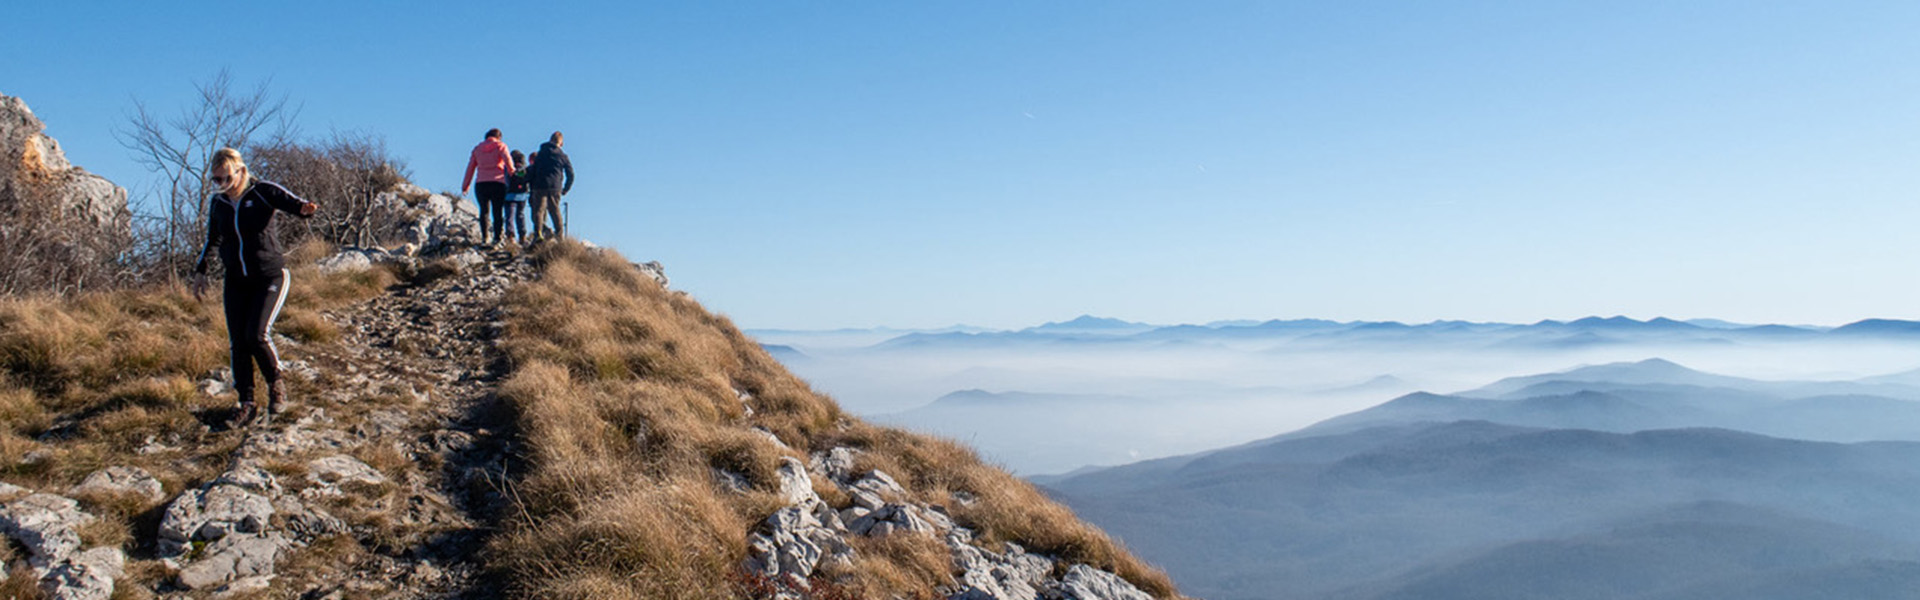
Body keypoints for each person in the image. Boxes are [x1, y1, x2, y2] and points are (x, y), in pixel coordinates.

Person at [190, 148, 318, 428]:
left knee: (256, 334)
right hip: (236, 280)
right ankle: (246, 404)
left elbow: (294, 204)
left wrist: (305, 210)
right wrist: (201, 271)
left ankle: (276, 384)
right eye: (216, 180)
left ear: (240, 172)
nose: (221, 185)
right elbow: (212, 239)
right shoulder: (218, 204)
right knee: (238, 342)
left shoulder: (262, 192)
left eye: (225, 178)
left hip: (269, 276)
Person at [461, 128, 513, 246]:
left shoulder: (477, 149)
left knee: (484, 211)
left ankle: (485, 238)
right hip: (498, 183)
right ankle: (497, 238)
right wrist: (512, 173)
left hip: (481, 183)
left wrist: (465, 185)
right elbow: (508, 162)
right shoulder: (501, 146)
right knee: (497, 211)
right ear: (499, 137)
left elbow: (470, 168)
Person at [527, 131, 573, 243]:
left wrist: (528, 183)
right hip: (555, 186)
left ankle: (538, 235)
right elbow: (571, 174)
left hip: (539, 186)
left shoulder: (540, 154)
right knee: (555, 210)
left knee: (539, 211)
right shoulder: (562, 156)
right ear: (561, 143)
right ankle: (559, 236)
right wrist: (566, 188)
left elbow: (533, 170)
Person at [503, 150, 530, 245]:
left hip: (509, 195)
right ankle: (522, 236)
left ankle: (510, 237)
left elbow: (505, 179)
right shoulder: (524, 168)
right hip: (522, 195)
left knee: (509, 216)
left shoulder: (508, 167)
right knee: (521, 215)